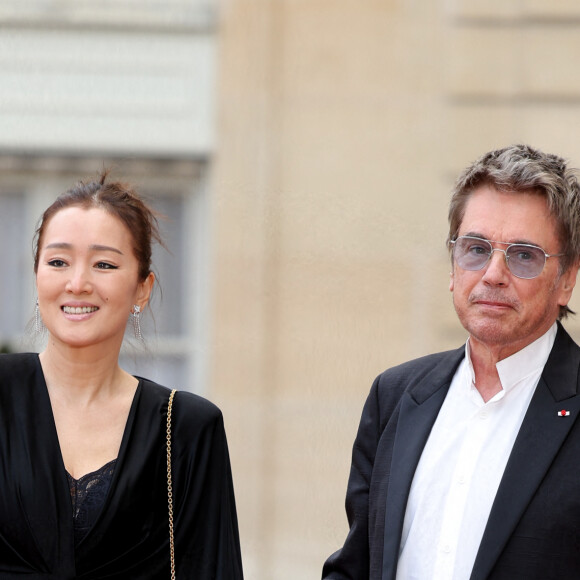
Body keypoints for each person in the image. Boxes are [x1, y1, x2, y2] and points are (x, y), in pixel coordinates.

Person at [323, 144, 580, 580]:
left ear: (566, 279)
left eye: (523, 256)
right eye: (476, 249)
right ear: (453, 264)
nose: (493, 273)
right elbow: (357, 566)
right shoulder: (396, 395)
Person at [0, 173, 244, 579]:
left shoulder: (185, 428)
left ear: (142, 289)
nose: (77, 284)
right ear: (37, 275)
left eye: (104, 264)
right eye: (58, 262)